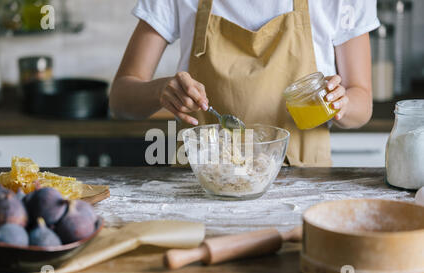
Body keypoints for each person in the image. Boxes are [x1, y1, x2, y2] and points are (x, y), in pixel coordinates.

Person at [110, 0, 379, 166]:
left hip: (304, 184)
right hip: (200, 188)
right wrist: (161, 90)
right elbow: (121, 98)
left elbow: (362, 102)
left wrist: (341, 103)